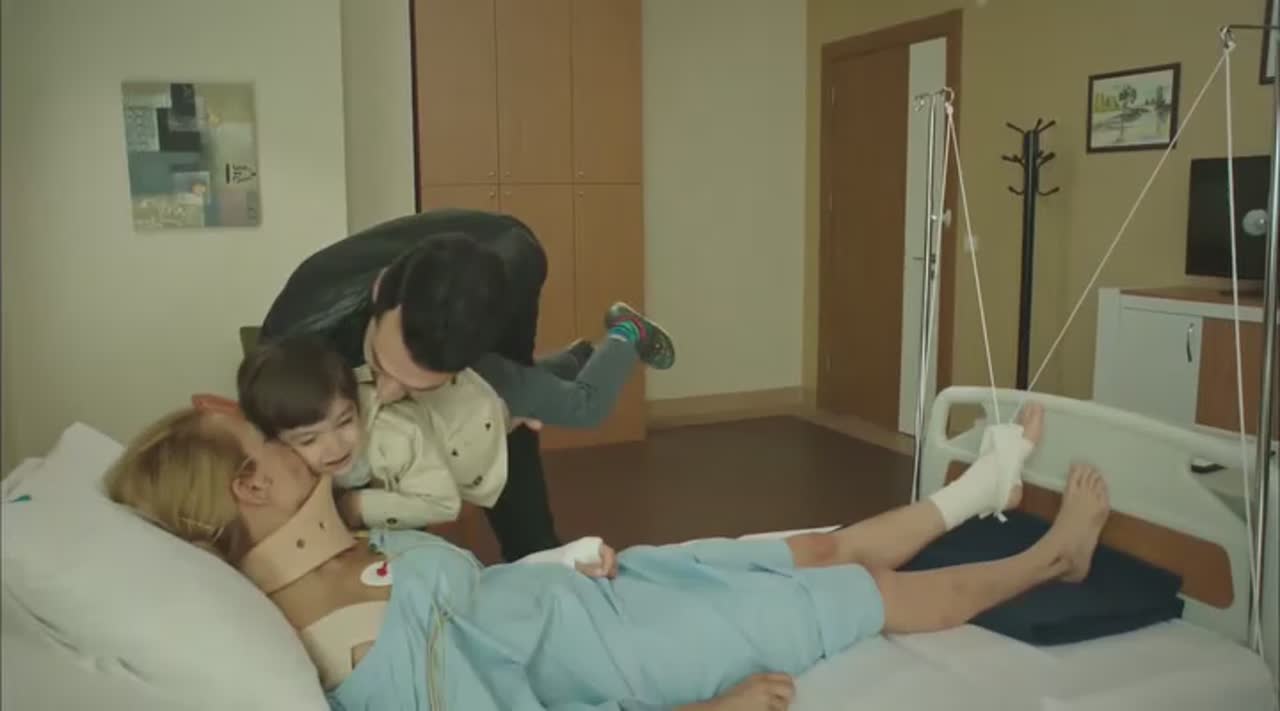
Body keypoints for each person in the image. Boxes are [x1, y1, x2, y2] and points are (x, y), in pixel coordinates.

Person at [106, 399, 1113, 711]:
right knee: (860, 589)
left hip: (608, 589)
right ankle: (1050, 562)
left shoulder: (346, 555)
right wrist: (709, 710)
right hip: (638, 653)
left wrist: (553, 564)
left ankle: (981, 488)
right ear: (251, 490)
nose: (295, 445)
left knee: (811, 544)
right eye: (266, 444)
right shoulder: (364, 658)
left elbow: (481, 597)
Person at [257, 210, 671, 561]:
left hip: (503, 271)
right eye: (381, 366)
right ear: (381, 292)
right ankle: (575, 361)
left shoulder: (515, 271)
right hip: (352, 315)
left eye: (420, 386)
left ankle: (605, 347)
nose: (387, 393)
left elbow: (511, 369)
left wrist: (514, 411)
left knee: (531, 538)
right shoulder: (299, 331)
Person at [234, 331, 674, 530]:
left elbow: (443, 504)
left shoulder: (391, 438)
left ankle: (625, 334)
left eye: (346, 422)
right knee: (539, 388)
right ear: (276, 440)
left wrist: (356, 507)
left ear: (353, 402)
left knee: (585, 408)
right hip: (462, 407)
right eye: (309, 440)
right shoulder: (289, 438)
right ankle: (577, 358)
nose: (334, 446)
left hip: (486, 390)